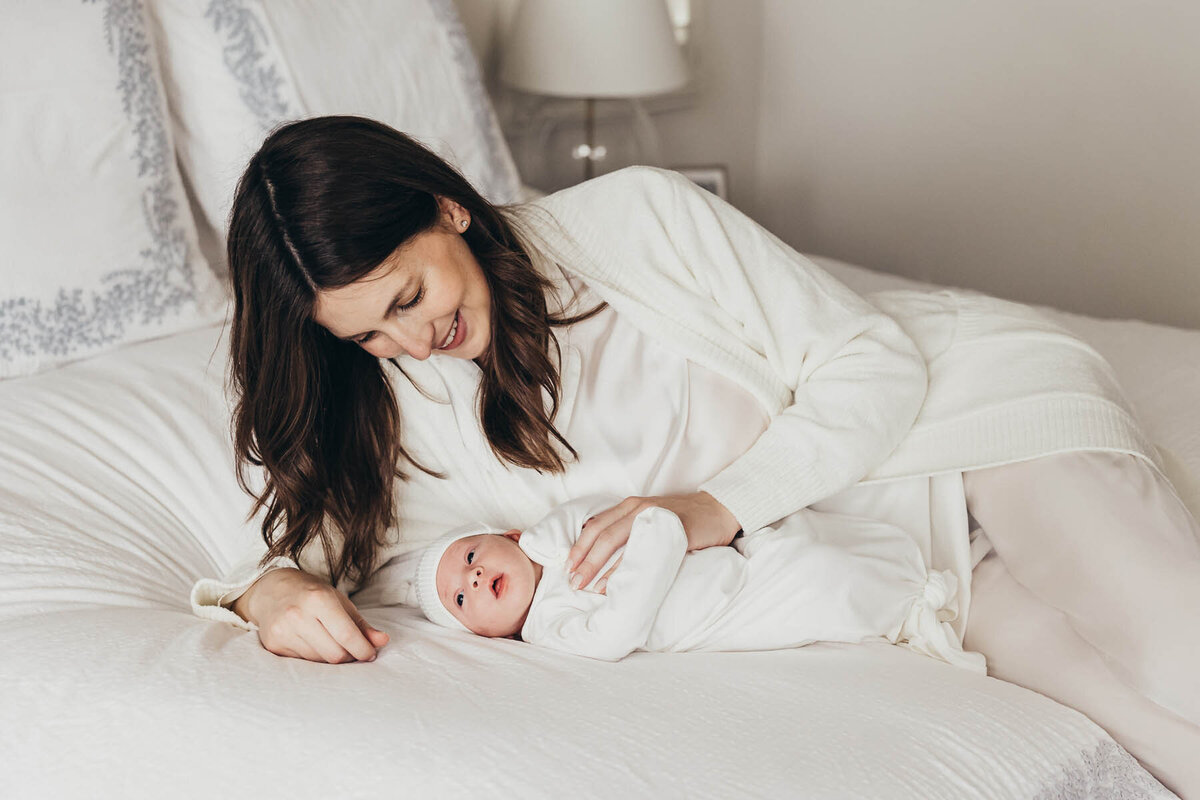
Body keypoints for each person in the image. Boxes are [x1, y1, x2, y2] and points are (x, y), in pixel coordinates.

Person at [189, 116, 1200, 794]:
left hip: (966, 429)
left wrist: (707, 508)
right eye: (368, 334)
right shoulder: (394, 410)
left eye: (409, 297)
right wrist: (262, 593)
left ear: (447, 207)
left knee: (1173, 644)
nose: (410, 342)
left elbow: (872, 363)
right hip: (907, 573)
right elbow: (307, 558)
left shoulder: (634, 218)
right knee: (1149, 733)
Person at [414, 494, 985, 671]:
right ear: (485, 636)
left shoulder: (557, 539)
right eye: (460, 598)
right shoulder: (548, 631)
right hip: (724, 608)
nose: (473, 575)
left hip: (728, 558)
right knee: (823, 587)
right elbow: (615, 632)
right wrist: (653, 546)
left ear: (509, 537)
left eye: (470, 555)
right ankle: (910, 603)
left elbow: (599, 513)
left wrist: (538, 545)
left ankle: (946, 534)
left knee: (802, 540)